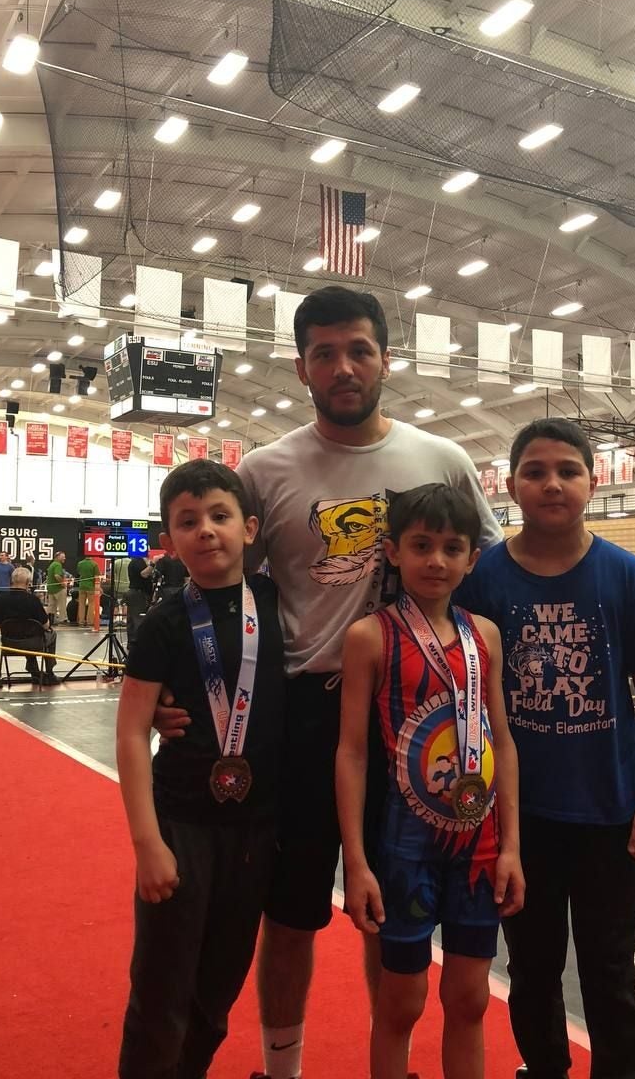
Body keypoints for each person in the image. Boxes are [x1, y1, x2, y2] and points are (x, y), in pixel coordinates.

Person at [154, 285, 501, 1079]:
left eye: (359, 351)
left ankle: (391, 1066)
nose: (343, 367)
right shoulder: (265, 470)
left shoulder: (442, 460)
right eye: (325, 354)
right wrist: (174, 686)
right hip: (305, 718)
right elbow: (217, 587)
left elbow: (488, 574)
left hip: (420, 716)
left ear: (386, 359)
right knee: (291, 913)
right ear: (301, 367)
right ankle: (282, 1071)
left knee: (392, 908)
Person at [455, 418, 635, 1079]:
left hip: (611, 814)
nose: (552, 484)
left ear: (593, 481)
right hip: (520, 820)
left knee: (611, 969)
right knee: (531, 967)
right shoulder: (484, 580)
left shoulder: (626, 577)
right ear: (510, 486)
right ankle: (545, 1069)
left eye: (567, 471)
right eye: (535, 471)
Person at [337, 484, 524, 1079]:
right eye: (421, 546)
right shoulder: (370, 637)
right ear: (393, 551)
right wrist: (356, 863)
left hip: (480, 848)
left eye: (451, 548)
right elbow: (352, 753)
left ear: (473, 558)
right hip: (405, 849)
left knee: (470, 1000)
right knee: (401, 1002)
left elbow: (502, 740)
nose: (436, 560)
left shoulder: (485, 635)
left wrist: (512, 847)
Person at [115, 459, 286, 1079]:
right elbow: (131, 731)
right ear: (169, 539)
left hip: (255, 830)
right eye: (188, 522)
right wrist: (147, 843)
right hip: (181, 823)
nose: (206, 530)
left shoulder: (275, 601)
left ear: (249, 528)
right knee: (162, 986)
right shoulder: (163, 624)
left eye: (219, 516)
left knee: (219, 986)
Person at [0, 567, 60, 685]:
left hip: (9, 643)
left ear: (12, 580)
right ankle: (49, 672)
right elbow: (46, 625)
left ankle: (34, 671)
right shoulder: (33, 600)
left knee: (26, 634)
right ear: (28, 582)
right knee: (51, 634)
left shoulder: (0, 600)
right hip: (33, 643)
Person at [125, 554, 154, 645]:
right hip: (138, 594)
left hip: (134, 593)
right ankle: (139, 644)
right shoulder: (138, 562)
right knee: (139, 620)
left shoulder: (135, 562)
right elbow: (144, 574)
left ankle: (132, 643)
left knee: (132, 620)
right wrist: (152, 564)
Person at [75, 552, 101, 626]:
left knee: (81, 604)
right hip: (90, 586)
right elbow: (96, 577)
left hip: (82, 585)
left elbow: (78, 573)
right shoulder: (94, 564)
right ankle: (89, 621)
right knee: (91, 604)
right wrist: (98, 588)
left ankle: (81, 621)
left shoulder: (80, 563)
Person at [45, 551, 69, 626]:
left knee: (51, 606)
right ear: (57, 557)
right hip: (58, 589)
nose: (64, 558)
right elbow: (57, 575)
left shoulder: (52, 564)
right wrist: (62, 583)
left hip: (51, 588)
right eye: (63, 557)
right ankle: (63, 620)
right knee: (62, 605)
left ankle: (51, 620)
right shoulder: (58, 565)